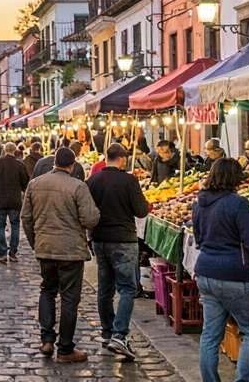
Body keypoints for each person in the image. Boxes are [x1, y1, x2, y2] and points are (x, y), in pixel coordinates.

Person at [193, 158, 249, 382]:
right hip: (236, 276)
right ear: (234, 178)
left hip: (206, 273)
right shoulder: (237, 204)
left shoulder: (199, 203)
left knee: (210, 334)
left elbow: (198, 239)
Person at [21, 147, 100, 364]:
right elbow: (90, 219)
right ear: (72, 165)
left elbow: (25, 218)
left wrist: (36, 243)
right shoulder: (78, 186)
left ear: (53, 162)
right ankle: (65, 349)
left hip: (45, 248)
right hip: (70, 251)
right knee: (68, 298)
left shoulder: (35, 184)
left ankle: (47, 339)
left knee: (47, 290)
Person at [86, 143, 149, 361]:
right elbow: (141, 211)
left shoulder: (92, 181)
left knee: (104, 287)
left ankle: (107, 330)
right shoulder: (129, 180)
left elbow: (86, 211)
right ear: (122, 159)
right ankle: (119, 334)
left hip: (100, 239)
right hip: (123, 240)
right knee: (127, 288)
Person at [0, 141, 31, 262]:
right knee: (15, 225)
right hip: (14, 199)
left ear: (5, 150)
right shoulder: (19, 164)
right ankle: (12, 252)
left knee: (0, 226)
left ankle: (2, 253)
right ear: (14, 151)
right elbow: (25, 183)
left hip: (0, 199)